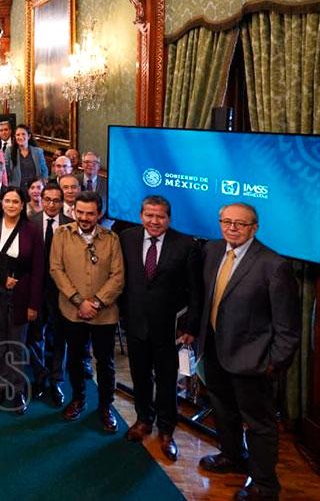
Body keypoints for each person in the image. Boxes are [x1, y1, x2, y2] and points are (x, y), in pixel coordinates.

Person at [196, 203, 300, 500]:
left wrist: (272, 364)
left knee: (259, 425)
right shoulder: (212, 250)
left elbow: (288, 327)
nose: (232, 228)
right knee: (223, 411)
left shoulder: (273, 265)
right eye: (226, 222)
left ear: (254, 228)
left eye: (240, 224)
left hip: (252, 361)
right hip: (214, 351)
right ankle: (232, 456)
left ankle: (265, 486)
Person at [119, 195, 202, 461]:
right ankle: (143, 420)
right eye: (149, 215)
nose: (154, 221)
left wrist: (190, 327)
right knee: (140, 376)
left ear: (169, 218)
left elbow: (196, 291)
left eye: (160, 216)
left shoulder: (186, 245)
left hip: (169, 329)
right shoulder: (127, 238)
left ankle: (167, 430)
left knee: (167, 381)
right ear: (141, 216)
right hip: (135, 324)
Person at [50, 191, 124, 431]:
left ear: (99, 214)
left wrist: (96, 303)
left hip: (104, 315)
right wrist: (79, 301)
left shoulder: (111, 239)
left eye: (90, 213)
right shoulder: (62, 234)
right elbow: (56, 269)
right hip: (72, 311)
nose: (84, 217)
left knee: (105, 363)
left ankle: (105, 407)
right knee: (75, 359)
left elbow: (118, 276)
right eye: (79, 212)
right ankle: (78, 399)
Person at [0, 189, 44, 413]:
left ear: (23, 205)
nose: (11, 205)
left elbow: (38, 270)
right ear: (2, 203)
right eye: (7, 201)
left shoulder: (32, 230)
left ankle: (17, 390)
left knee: (17, 344)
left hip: (22, 294)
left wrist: (34, 304)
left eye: (16, 201)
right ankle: (0, 383)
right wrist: (1, 278)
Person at [29, 183, 74, 406]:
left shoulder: (70, 225)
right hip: (36, 290)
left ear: (62, 202)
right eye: (47, 199)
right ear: (41, 199)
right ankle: (39, 377)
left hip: (61, 292)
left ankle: (56, 380)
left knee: (59, 337)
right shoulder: (31, 222)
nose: (51, 204)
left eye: (56, 200)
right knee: (35, 336)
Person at [9, 124, 48, 190]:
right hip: (16, 189)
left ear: (29, 136)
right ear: (15, 137)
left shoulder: (38, 151)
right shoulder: (9, 151)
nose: (20, 137)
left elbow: (44, 171)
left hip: (34, 189)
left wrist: (42, 184)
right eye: (18, 135)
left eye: (23, 134)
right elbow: (5, 171)